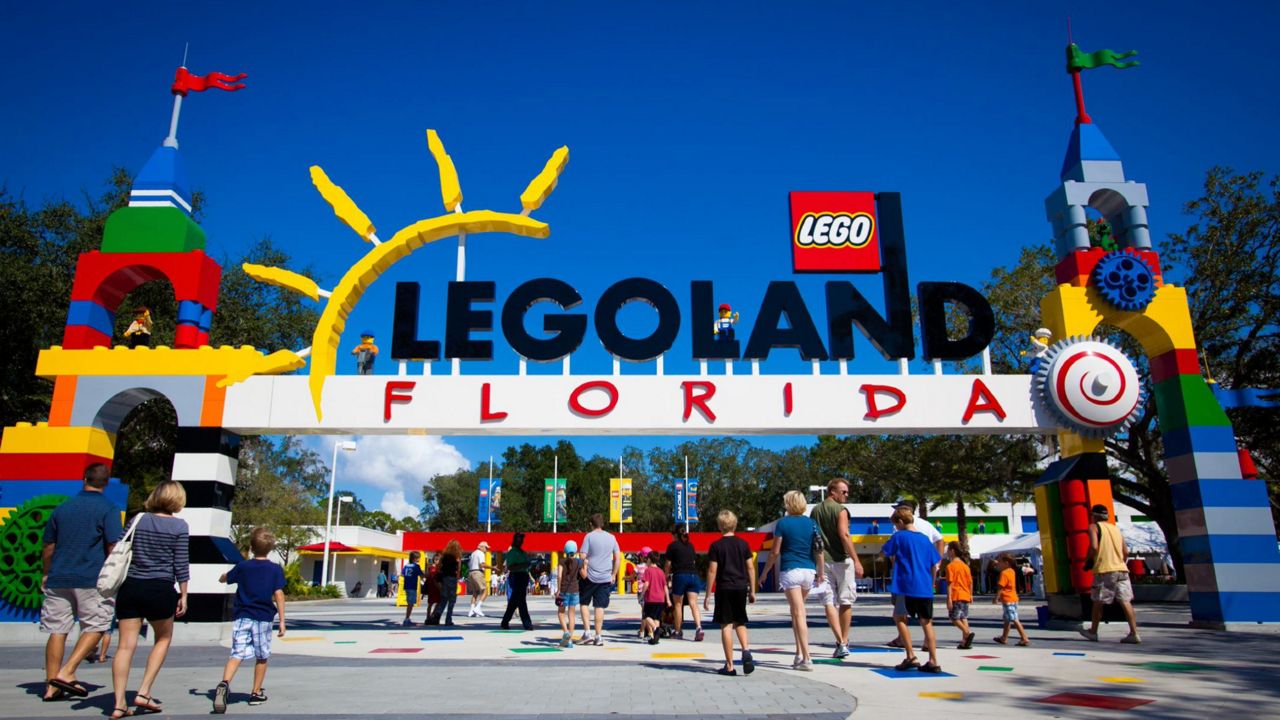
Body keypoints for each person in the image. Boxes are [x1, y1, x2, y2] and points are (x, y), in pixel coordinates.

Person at [40, 463, 124, 701]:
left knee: (57, 629)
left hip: (59, 577)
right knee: (97, 626)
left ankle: (51, 684)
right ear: (106, 483)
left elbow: (48, 546)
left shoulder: (62, 508)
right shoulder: (108, 509)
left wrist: (46, 572)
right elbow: (112, 546)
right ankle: (67, 672)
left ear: (84, 478)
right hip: (91, 578)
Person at [110, 481, 190, 719]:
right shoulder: (179, 526)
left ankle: (118, 703)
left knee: (125, 646)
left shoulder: (138, 520)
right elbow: (181, 563)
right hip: (160, 588)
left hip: (131, 587)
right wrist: (184, 594)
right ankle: (144, 691)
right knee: (163, 638)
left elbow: (118, 546)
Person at [212, 527, 286, 713]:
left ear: (251, 547)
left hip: (242, 616)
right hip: (263, 618)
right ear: (271, 548)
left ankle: (224, 683)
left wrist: (222, 577)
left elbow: (226, 578)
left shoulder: (243, 566)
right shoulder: (274, 569)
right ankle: (255, 692)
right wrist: (283, 620)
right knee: (262, 656)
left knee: (236, 653)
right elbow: (278, 594)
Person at [758, 490, 823, 671]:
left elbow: (775, 551)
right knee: (798, 612)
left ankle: (807, 658)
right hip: (808, 571)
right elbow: (819, 549)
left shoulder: (783, 523)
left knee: (798, 613)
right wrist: (821, 571)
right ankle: (798, 653)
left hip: (791, 570)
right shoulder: (812, 523)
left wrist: (765, 572)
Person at [882, 506, 943, 673]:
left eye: (896, 524)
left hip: (904, 585)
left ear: (900, 522)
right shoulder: (924, 539)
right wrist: (931, 583)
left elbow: (886, 551)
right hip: (925, 586)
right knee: (927, 622)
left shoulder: (899, 536)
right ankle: (933, 660)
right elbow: (934, 564)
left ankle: (910, 656)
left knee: (899, 617)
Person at [809, 478, 863, 658]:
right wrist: (856, 560)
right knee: (846, 600)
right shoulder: (841, 510)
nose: (846, 495)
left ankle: (838, 641)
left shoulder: (815, 511)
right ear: (833, 491)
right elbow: (844, 534)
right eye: (844, 492)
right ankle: (845, 640)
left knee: (829, 602)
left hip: (822, 560)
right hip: (842, 560)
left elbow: (813, 536)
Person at [1079, 504, 1142, 644]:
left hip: (1104, 569)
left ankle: (1093, 631)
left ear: (1094, 515)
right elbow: (1126, 552)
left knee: (1098, 600)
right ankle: (1134, 633)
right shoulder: (1115, 529)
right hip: (1122, 568)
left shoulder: (1094, 527)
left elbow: (1094, 547)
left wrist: (1088, 560)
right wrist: (1120, 562)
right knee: (1125, 601)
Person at [703, 510, 755, 676]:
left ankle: (730, 665)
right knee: (740, 621)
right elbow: (750, 567)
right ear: (735, 524)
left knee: (726, 625)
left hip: (724, 587)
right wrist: (752, 590)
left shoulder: (716, 546)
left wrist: (707, 595)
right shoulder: (743, 544)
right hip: (741, 587)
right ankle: (746, 650)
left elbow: (712, 570)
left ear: (719, 526)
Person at [579, 513, 621, 646]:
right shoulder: (612, 537)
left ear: (591, 524)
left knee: (584, 603)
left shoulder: (589, 537)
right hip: (605, 577)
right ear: (602, 524)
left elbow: (582, 556)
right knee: (600, 607)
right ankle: (598, 636)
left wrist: (585, 565)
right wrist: (613, 574)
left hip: (589, 577)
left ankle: (587, 633)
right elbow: (617, 558)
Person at [664, 526, 704, 641]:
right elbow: (694, 561)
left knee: (678, 604)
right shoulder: (690, 546)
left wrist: (666, 577)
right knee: (693, 603)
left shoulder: (672, 546)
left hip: (680, 575)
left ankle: (678, 631)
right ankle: (698, 628)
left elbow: (668, 564)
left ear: (675, 535)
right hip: (694, 575)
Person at [992, 553, 1030, 646]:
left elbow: (1001, 587)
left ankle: (1024, 637)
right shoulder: (1011, 571)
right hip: (1013, 598)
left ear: (1006, 563)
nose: (998, 564)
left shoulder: (1004, 573)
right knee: (1007, 619)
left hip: (1008, 599)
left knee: (1014, 618)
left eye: (1000, 562)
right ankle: (1004, 637)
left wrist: (996, 598)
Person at [944, 541, 975, 649]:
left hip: (956, 594)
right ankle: (965, 641)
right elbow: (970, 582)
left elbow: (950, 584)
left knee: (954, 617)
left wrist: (949, 599)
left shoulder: (950, 566)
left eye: (948, 550)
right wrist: (971, 595)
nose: (947, 552)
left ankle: (967, 632)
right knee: (963, 617)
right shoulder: (965, 566)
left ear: (952, 551)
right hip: (965, 594)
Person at [501, 533, 534, 631]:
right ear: (515, 540)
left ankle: (505, 621)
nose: (521, 541)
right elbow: (510, 567)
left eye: (522, 539)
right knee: (521, 601)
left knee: (515, 601)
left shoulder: (522, 552)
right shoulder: (512, 553)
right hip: (517, 576)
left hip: (523, 576)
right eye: (519, 539)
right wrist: (524, 565)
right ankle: (527, 623)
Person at [637, 550, 670, 645]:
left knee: (646, 616)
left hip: (651, 598)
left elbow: (646, 584)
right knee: (656, 618)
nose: (646, 561)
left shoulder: (648, 570)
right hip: (660, 599)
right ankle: (655, 638)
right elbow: (665, 586)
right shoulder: (661, 571)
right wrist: (667, 599)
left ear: (650, 560)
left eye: (647, 559)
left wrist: (642, 595)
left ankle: (656, 629)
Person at [429, 540, 463, 626]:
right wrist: (457, 577)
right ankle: (448, 620)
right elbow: (458, 569)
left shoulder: (444, 556)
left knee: (443, 599)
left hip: (444, 579)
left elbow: (439, 567)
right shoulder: (457, 556)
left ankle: (436, 617)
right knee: (452, 600)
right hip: (452, 578)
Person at [557, 541, 582, 648]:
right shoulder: (579, 562)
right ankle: (570, 640)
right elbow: (582, 575)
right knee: (571, 615)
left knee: (561, 613)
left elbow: (559, 576)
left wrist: (558, 589)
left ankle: (566, 632)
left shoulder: (561, 561)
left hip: (563, 591)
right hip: (575, 591)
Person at [466, 541, 492, 617]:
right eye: (486, 547)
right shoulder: (480, 553)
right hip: (478, 572)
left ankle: (471, 610)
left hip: (471, 572)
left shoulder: (473, 553)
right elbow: (482, 564)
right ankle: (478, 607)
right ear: (482, 547)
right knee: (485, 591)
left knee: (475, 592)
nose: (486, 549)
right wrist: (492, 567)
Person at [401, 552, 423, 627]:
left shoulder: (406, 566)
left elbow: (402, 574)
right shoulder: (416, 566)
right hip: (412, 586)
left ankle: (407, 618)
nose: (419, 559)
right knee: (411, 604)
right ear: (415, 558)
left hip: (406, 585)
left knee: (410, 603)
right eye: (418, 558)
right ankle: (407, 619)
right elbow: (421, 575)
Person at [423, 554, 441, 621]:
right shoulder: (434, 568)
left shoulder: (430, 567)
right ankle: (430, 616)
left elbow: (427, 576)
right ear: (435, 560)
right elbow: (434, 578)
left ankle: (429, 616)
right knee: (436, 602)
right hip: (435, 587)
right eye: (439, 560)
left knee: (431, 603)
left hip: (431, 586)